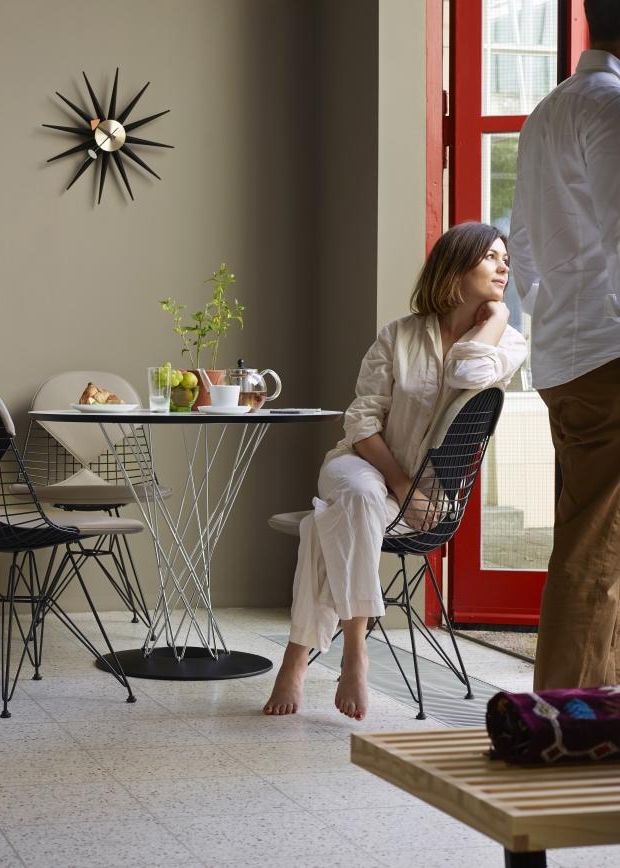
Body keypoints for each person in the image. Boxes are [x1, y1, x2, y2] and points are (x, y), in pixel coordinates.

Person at [264, 222, 527, 720]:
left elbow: (467, 371)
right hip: (360, 463)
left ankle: (296, 659)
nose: (504, 267)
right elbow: (361, 421)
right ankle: (356, 652)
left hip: (431, 496)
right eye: (491, 257)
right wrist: (403, 485)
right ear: (456, 266)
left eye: (505, 259)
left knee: (327, 524)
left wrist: (498, 316)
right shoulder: (399, 335)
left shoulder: (508, 343)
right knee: (359, 496)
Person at [508, 0, 620, 690]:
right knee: (596, 550)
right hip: (608, 355)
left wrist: (552, 318)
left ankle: (590, 711)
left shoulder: (548, 111)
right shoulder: (609, 105)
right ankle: (563, 718)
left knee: (595, 540)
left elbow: (521, 246)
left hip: (569, 352)